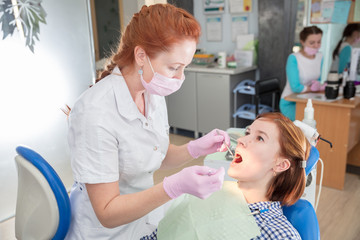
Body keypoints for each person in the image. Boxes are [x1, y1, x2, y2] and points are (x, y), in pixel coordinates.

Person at [64, 4, 229, 239]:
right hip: (108, 232)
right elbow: (107, 213)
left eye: (185, 68)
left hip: (144, 219)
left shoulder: (150, 92)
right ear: (141, 56)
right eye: (174, 68)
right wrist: (173, 187)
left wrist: (195, 148)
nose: (180, 78)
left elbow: (153, 155)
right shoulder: (95, 112)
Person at [143, 112, 311, 239]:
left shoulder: (279, 234)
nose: (241, 140)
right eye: (247, 133)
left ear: (281, 165)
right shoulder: (208, 194)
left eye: (260, 138)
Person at [280, 26, 324, 121]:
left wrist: (319, 86)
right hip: (291, 101)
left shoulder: (320, 57)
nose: (316, 45)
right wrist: (311, 88)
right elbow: (295, 87)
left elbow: (318, 80)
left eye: (319, 42)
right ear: (302, 42)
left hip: (309, 99)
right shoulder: (294, 58)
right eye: (312, 42)